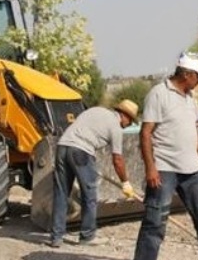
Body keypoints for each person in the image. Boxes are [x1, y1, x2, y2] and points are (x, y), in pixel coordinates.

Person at [130, 53, 198, 260]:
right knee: (155, 221)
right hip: (164, 168)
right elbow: (145, 133)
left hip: (191, 170)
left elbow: (194, 130)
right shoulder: (158, 94)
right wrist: (150, 168)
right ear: (187, 74)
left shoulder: (190, 98)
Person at [46, 99, 139, 248]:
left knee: (62, 193)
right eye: (130, 121)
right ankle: (87, 236)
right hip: (81, 151)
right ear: (124, 115)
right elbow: (118, 160)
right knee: (90, 195)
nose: (129, 124)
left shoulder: (96, 110)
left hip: (62, 147)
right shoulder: (115, 127)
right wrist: (125, 183)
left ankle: (56, 237)